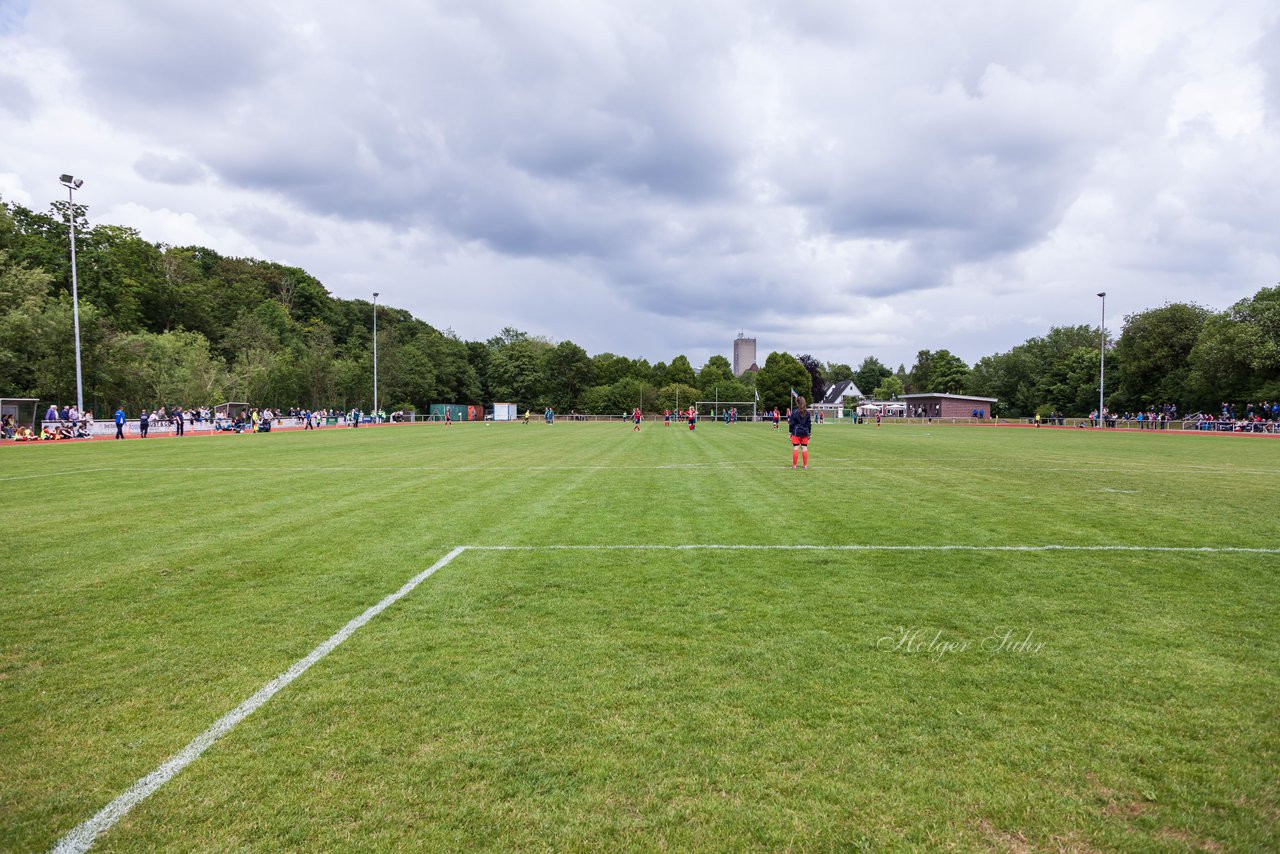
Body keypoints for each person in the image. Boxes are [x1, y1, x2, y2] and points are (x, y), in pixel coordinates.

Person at [788, 395, 812, 469]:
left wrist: (790, 432)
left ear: (797, 403)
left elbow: (791, 423)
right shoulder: (807, 413)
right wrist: (809, 433)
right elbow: (809, 424)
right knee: (804, 447)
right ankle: (805, 465)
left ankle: (794, 465)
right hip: (805, 432)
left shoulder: (794, 412)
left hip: (796, 432)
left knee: (796, 447)